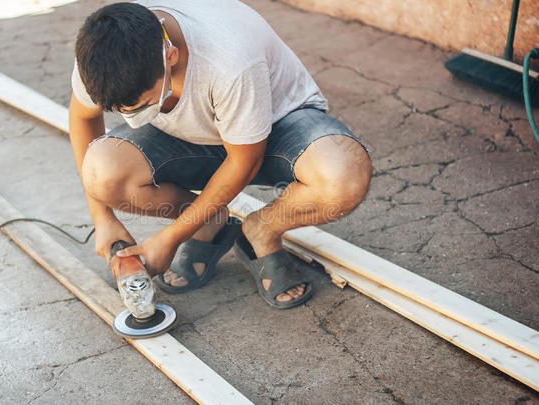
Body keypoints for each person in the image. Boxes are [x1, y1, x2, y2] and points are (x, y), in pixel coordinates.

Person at [69, 0, 371, 309]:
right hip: (194, 136)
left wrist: (170, 237)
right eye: (119, 111)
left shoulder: (230, 61)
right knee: (101, 175)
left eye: (142, 105)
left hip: (275, 127)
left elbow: (244, 162)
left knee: (343, 176)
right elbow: (83, 118)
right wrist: (102, 217)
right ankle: (208, 223)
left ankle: (262, 231)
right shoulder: (102, 52)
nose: (131, 117)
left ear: (169, 56)